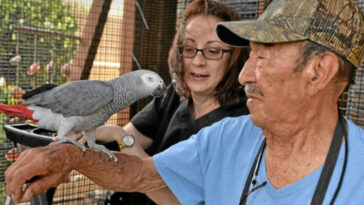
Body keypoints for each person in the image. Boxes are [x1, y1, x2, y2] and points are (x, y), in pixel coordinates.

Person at [6, 0, 364, 204]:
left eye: (263, 58)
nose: (245, 76)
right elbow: (142, 175)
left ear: (320, 71)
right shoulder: (227, 137)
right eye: (189, 48)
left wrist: (120, 138)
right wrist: (70, 155)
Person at [80, 0, 249, 204]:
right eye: (189, 48)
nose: (197, 61)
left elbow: (176, 199)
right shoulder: (174, 96)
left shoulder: (240, 123)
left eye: (213, 51)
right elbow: (120, 146)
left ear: (233, 58)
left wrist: (120, 136)